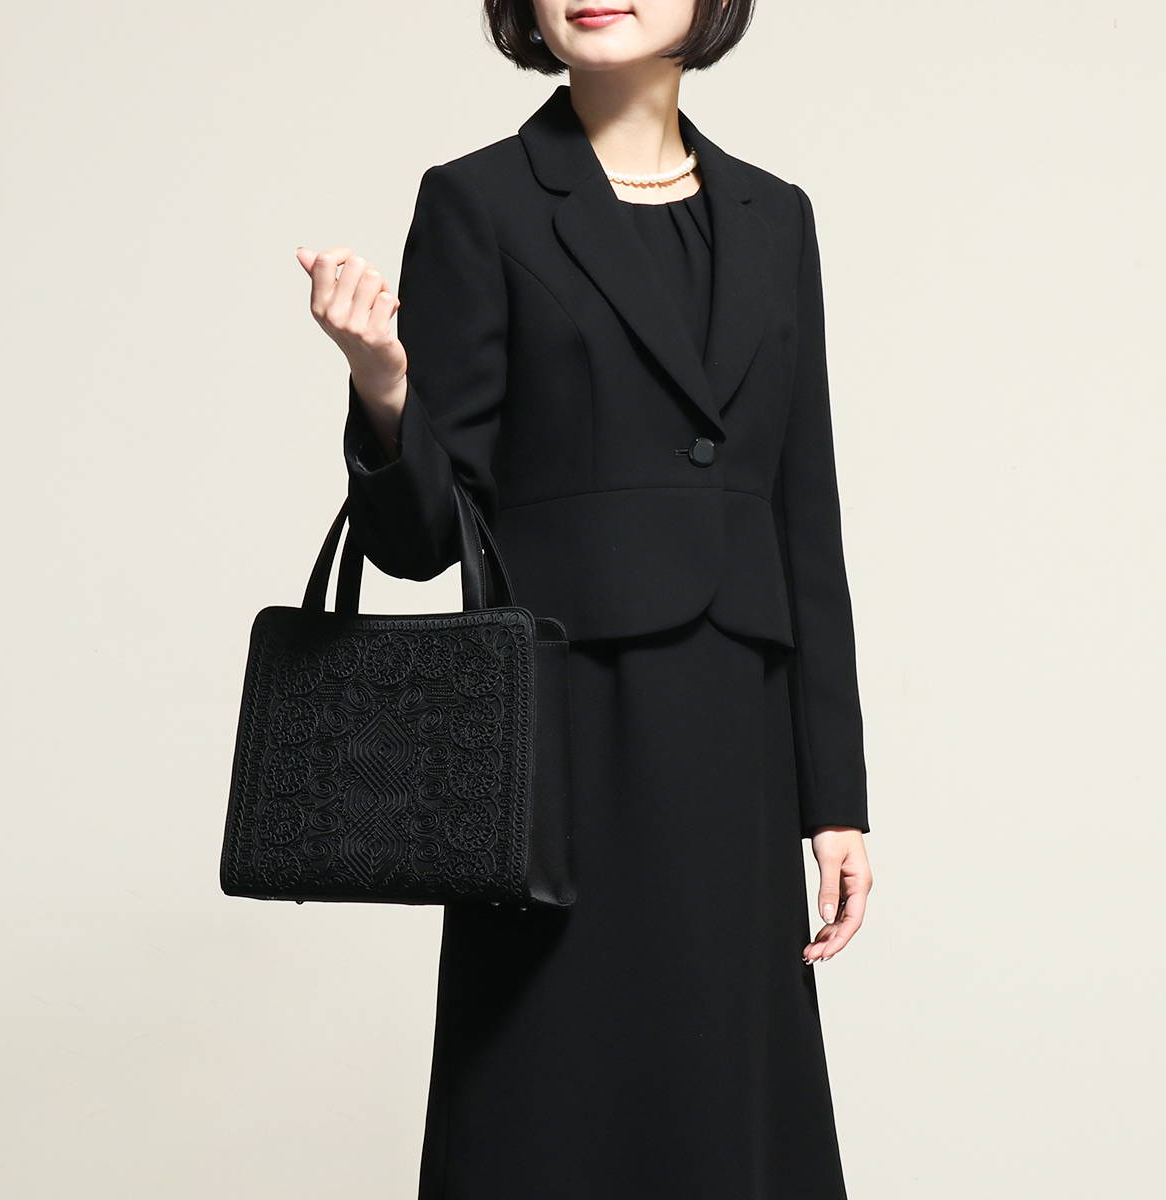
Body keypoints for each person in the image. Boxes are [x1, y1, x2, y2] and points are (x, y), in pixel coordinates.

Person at [296, 2, 874, 1195]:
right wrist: (384, 389)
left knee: (726, 1091)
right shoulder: (479, 202)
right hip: (563, 744)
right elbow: (419, 542)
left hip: (736, 737)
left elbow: (803, 513)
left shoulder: (777, 216)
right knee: (550, 1093)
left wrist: (837, 798)